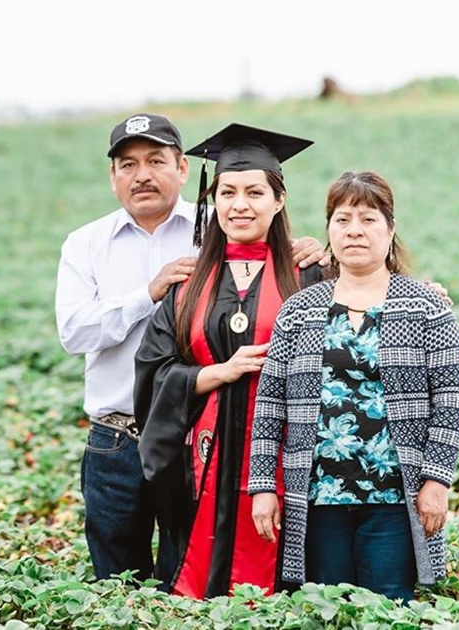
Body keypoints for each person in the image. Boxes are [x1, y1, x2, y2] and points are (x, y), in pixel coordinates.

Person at [56, 114, 325, 588]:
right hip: (121, 438)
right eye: (128, 164)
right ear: (113, 175)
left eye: (156, 160)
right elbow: (75, 333)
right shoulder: (87, 244)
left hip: (215, 448)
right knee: (122, 580)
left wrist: (315, 253)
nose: (142, 174)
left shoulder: (213, 233)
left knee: (201, 562)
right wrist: (150, 293)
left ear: (183, 169)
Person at [248, 170, 459, 601]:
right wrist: (262, 487)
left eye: (368, 219)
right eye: (343, 219)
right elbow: (270, 404)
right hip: (317, 497)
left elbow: (451, 401)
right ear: (329, 229)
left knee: (388, 605)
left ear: (390, 228)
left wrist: (436, 481)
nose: (354, 231)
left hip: (393, 497)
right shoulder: (300, 310)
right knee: (326, 606)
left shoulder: (426, 306)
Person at [133, 122, 324, 598]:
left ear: (278, 201)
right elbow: (153, 371)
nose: (240, 205)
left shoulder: (312, 275)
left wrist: (429, 296)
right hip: (202, 463)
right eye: (228, 192)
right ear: (212, 200)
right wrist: (214, 373)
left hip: (287, 459)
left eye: (255, 192)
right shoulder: (188, 283)